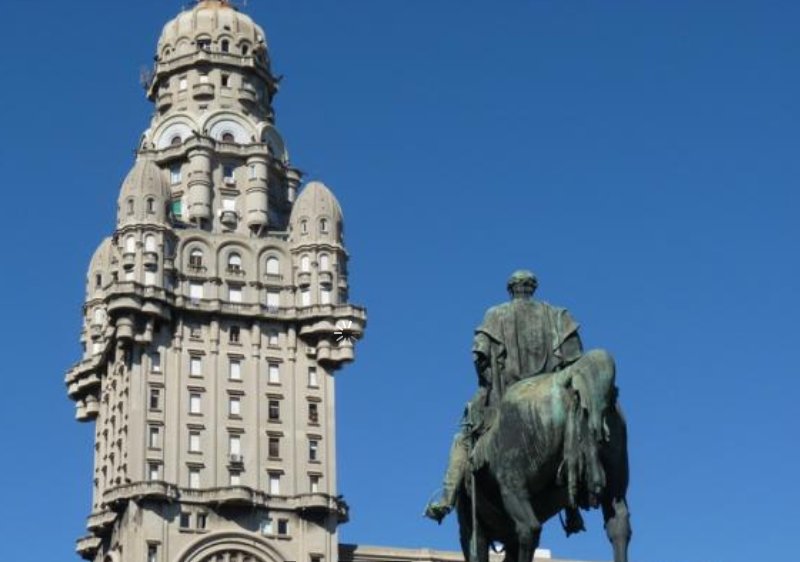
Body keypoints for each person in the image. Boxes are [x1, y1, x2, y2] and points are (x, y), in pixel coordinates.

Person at [425, 270, 585, 532]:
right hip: (553, 398)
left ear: (511, 290)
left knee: (464, 438)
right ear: (532, 288)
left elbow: (480, 356)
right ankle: (572, 509)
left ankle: (446, 498)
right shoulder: (557, 315)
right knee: (571, 440)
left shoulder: (495, 315)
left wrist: (489, 382)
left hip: (504, 399)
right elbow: (574, 359)